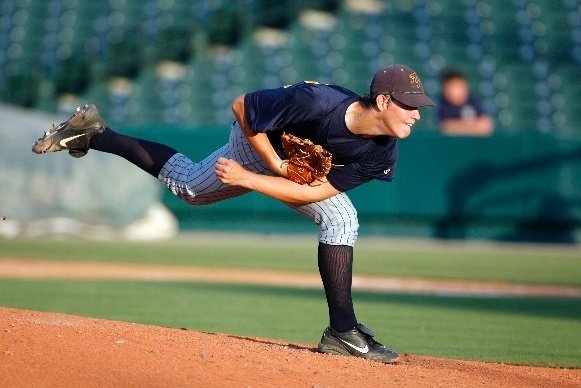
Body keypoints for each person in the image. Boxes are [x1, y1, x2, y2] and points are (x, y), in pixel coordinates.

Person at [32, 64, 435, 364]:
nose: (417, 114)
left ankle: (343, 332)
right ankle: (96, 133)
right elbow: (243, 106)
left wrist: (251, 180)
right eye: (409, 105)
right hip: (254, 140)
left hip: (277, 167)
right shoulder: (318, 102)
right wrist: (269, 166)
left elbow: (320, 190)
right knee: (190, 188)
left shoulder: (383, 149)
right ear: (383, 101)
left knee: (340, 218)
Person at [438, 69, 494, 136]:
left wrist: (461, 127)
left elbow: (486, 125)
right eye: (454, 87)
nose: (458, 91)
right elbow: (446, 127)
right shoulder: (443, 106)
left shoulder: (473, 102)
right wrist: (474, 127)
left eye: (460, 86)